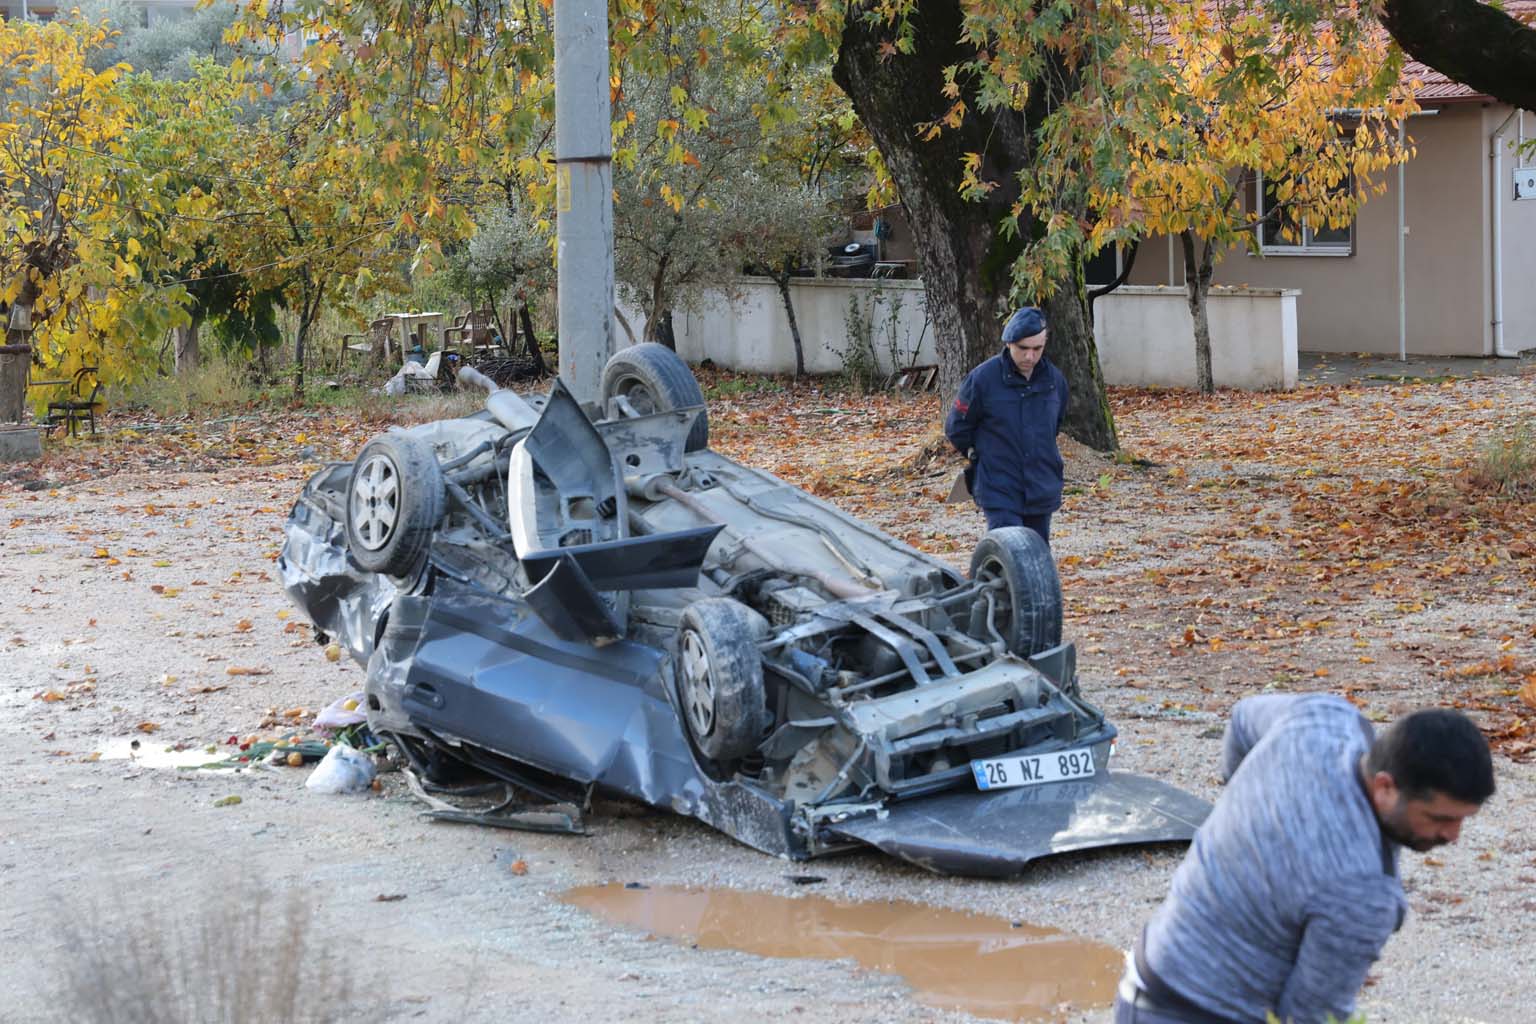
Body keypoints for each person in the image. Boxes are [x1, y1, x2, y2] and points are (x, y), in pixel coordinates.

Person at [1116, 695, 1495, 1024]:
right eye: (1440, 819)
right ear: (1385, 786)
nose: (1453, 836)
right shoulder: (1362, 892)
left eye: (1463, 819)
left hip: (1147, 973)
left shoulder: (1321, 720)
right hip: (1198, 1012)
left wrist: (1241, 811)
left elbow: (1243, 719)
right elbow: (1307, 1017)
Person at [943, 306, 1069, 545]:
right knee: (1009, 553)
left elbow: (1055, 424)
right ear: (1009, 343)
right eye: (1023, 349)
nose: (1030, 356)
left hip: (1041, 486)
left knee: (1037, 558)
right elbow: (957, 428)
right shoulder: (982, 379)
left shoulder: (1055, 381)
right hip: (998, 486)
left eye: (1037, 349)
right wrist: (977, 455)